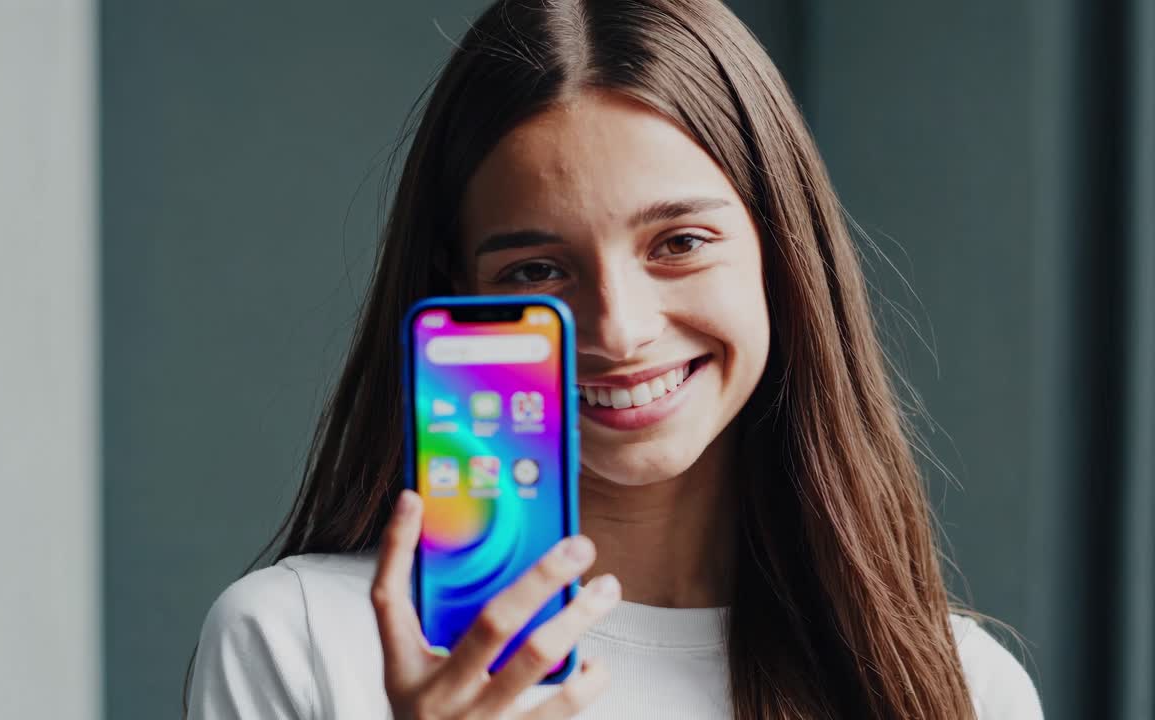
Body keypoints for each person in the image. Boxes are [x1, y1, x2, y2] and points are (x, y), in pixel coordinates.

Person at [186, 0, 1044, 717]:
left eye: (679, 242)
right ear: (461, 294)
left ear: (782, 251)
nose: (620, 330)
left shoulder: (961, 688)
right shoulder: (297, 641)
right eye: (538, 270)